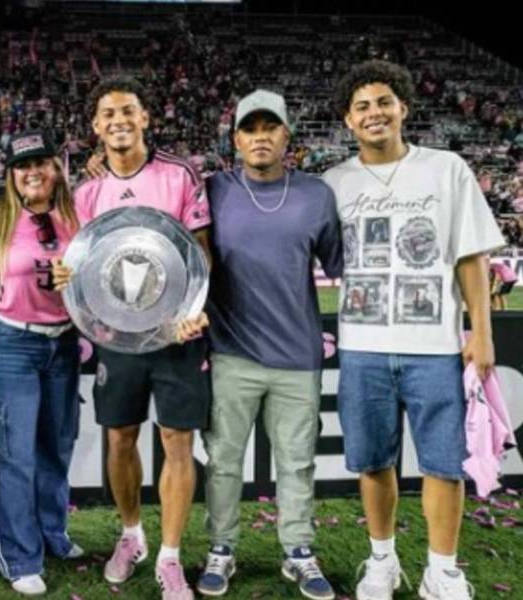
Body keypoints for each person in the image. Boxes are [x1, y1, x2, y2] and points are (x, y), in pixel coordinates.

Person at [323, 60, 506, 600]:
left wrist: (482, 332)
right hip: (361, 347)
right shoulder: (333, 182)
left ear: (404, 106)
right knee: (374, 461)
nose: (374, 112)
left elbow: (470, 256)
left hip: (435, 347)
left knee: (443, 465)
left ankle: (441, 569)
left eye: (383, 101)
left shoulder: (446, 168)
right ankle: (382, 561)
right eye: (362, 106)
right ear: (347, 120)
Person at [53, 76, 210, 600]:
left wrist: (192, 311)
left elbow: (200, 252)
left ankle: (170, 557)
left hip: (177, 335)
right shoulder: (86, 191)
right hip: (116, 337)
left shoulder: (179, 174)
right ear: (96, 127)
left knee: (175, 441)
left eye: (128, 111)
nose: (118, 120)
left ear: (145, 118)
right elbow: (80, 268)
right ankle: (131, 535)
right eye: (108, 114)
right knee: (120, 437)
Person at [198, 90, 342, 599]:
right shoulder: (213, 189)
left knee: (297, 461)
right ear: (235, 139)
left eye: (270, 127)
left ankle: (298, 551)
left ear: (287, 136)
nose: (260, 136)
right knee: (223, 461)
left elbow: (344, 268)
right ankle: (221, 548)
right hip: (232, 352)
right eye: (250, 128)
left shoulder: (316, 195)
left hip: (298, 355)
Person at [0, 129, 82, 596]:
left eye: (41, 163)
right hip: (12, 343)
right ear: (12, 175)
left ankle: (52, 534)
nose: (32, 172)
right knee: (14, 454)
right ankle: (17, 555)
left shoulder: (78, 215)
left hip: (65, 345)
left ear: (56, 168)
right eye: (22, 166)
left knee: (56, 446)